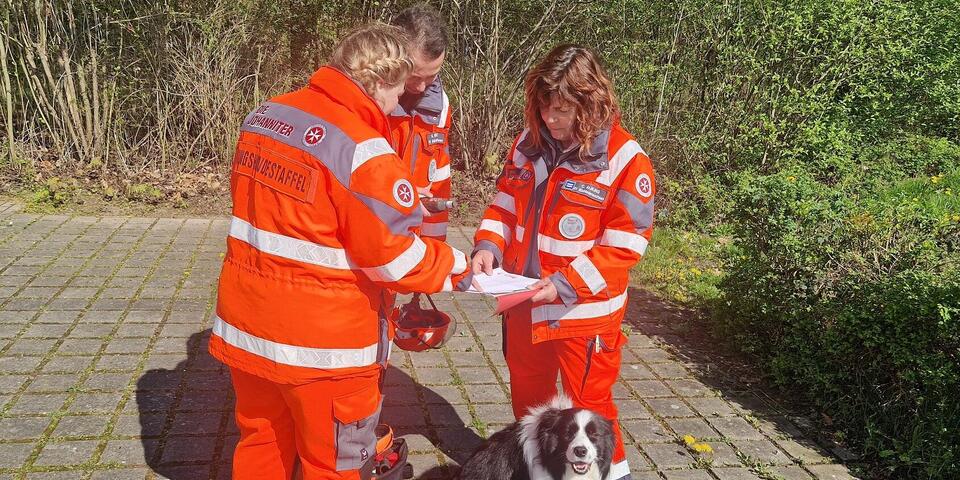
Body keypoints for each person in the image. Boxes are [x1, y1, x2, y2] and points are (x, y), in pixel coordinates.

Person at [209, 23, 470, 480]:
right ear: (383, 83)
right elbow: (392, 260)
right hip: (325, 349)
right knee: (334, 465)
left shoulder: (265, 116)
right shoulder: (366, 151)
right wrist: (456, 265)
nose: (400, 104)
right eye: (402, 89)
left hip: (248, 329)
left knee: (261, 444)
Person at [471, 44, 656, 480]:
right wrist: (488, 246)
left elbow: (625, 245)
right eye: (543, 107)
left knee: (592, 413)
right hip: (524, 306)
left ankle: (614, 476)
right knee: (533, 409)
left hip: (582, 316)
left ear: (590, 103)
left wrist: (566, 284)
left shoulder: (627, 160)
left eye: (561, 109)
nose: (550, 119)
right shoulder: (526, 144)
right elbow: (503, 205)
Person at [389, 3, 453, 241]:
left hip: (413, 243)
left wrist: (437, 250)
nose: (420, 87)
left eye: (432, 76)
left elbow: (439, 184)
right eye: (414, 76)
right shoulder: (366, 100)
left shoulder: (440, 107)